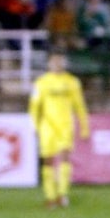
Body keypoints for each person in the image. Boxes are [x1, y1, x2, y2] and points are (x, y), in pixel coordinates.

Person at [29, 51, 89, 209]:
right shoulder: (41, 82)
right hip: (47, 126)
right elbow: (34, 107)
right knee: (48, 161)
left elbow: (79, 105)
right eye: (54, 61)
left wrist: (84, 127)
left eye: (59, 61)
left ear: (64, 63)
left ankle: (62, 194)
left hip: (65, 125)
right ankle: (50, 196)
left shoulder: (72, 82)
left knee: (64, 158)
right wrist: (34, 125)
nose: (57, 64)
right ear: (49, 64)